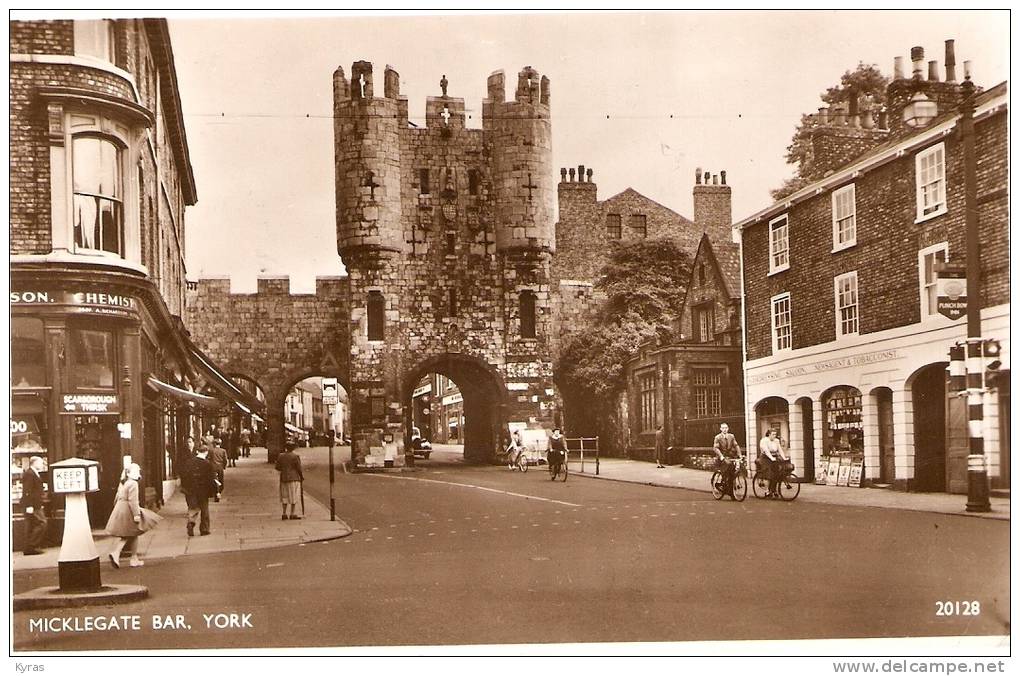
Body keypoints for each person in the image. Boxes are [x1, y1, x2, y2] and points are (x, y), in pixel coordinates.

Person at [105, 463, 162, 568]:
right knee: (133, 532)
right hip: (128, 510)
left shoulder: (125, 483)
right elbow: (133, 501)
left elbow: (117, 498)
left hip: (121, 508)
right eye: (136, 471)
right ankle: (126, 556)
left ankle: (128, 556)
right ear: (130, 473)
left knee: (131, 533)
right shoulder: (133, 484)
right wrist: (136, 514)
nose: (138, 473)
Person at [181, 439, 217, 536]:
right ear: (206, 452)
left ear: (197, 452)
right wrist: (215, 492)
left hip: (191, 490)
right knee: (204, 509)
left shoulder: (189, 462)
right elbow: (212, 479)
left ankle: (191, 523)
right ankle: (204, 529)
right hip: (203, 491)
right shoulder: (208, 464)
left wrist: (185, 487)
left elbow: (184, 475)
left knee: (193, 508)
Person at [21, 456, 47, 555]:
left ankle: (29, 548)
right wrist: (29, 505)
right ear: (34, 463)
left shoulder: (32, 473)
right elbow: (27, 490)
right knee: (42, 523)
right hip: (33, 505)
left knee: (31, 525)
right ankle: (32, 546)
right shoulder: (30, 473)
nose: (42, 464)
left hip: (35, 504)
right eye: (40, 462)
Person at [275, 442, 304, 520]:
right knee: (293, 496)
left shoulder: (281, 456)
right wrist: (301, 476)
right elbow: (299, 468)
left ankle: (284, 513)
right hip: (294, 478)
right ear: (293, 448)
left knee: (284, 496)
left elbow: (277, 467)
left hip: (284, 478)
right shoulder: (295, 456)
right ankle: (292, 513)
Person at [758, 429, 789, 498]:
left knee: (777, 473)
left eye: (775, 434)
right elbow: (766, 450)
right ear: (769, 434)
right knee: (768, 474)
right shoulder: (764, 440)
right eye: (773, 434)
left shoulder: (776, 441)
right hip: (765, 457)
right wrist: (771, 458)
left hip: (774, 457)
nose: (774, 436)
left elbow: (780, 450)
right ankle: (767, 491)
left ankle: (774, 490)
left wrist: (784, 457)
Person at [713, 423, 741, 493]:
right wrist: (721, 456)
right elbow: (715, 448)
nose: (724, 429)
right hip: (721, 457)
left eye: (726, 428)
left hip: (730, 456)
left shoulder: (731, 436)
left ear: (728, 428)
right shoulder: (718, 437)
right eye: (723, 428)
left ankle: (731, 489)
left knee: (734, 468)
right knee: (727, 466)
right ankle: (723, 483)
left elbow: (736, 445)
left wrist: (740, 454)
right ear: (720, 429)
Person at [209, 437, 228, 501]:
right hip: (220, 467)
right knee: (220, 480)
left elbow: (209, 459)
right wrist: (224, 466)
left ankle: (215, 493)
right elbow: (225, 460)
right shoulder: (223, 451)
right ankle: (219, 492)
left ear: (214, 444)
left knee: (214, 480)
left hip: (213, 468)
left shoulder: (211, 450)